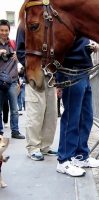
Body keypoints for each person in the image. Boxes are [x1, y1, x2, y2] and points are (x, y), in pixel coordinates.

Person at [56, 37, 99, 177]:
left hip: (84, 71)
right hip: (70, 71)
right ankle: (64, 160)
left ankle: (80, 155)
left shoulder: (82, 23)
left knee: (86, 117)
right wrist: (58, 80)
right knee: (72, 118)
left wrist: (92, 46)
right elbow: (58, 49)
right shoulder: (68, 21)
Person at [16, 27, 57, 161]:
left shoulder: (50, 23)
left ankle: (45, 146)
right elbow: (20, 51)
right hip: (34, 74)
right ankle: (33, 147)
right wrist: (31, 67)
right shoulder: (24, 26)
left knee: (51, 113)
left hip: (50, 74)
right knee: (35, 112)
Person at [0, 19, 25, 139]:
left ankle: (15, 131)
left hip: (13, 81)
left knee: (14, 109)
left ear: (9, 31)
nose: (4, 33)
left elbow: (22, 57)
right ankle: (0, 132)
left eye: (6, 30)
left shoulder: (13, 44)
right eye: (1, 30)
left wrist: (18, 56)